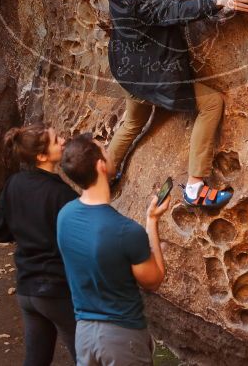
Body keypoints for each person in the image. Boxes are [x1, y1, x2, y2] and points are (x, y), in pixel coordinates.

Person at [102, 0, 248, 208]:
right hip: (153, 75)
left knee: (132, 122)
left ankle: (105, 175)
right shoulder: (140, 4)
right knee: (212, 103)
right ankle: (195, 187)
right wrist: (220, 0)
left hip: (128, 70)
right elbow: (175, 10)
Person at [57, 133, 170, 366]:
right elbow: (154, 280)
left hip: (84, 335)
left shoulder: (64, 216)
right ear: (100, 166)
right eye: (105, 150)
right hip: (122, 337)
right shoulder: (125, 231)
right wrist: (152, 224)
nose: (110, 152)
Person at [0, 124, 78, 366]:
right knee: (87, 359)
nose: (63, 141)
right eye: (55, 140)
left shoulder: (14, 184)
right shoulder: (62, 195)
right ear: (41, 156)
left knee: (36, 361)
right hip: (57, 292)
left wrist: (27, 233)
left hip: (27, 289)